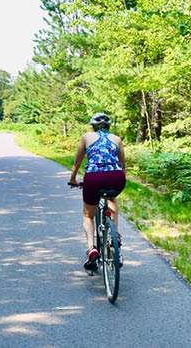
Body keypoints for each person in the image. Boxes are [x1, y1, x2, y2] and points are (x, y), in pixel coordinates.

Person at [68, 113, 126, 269]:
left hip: (94, 177)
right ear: (109, 127)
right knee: (112, 198)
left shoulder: (87, 137)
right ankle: (116, 236)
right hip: (116, 177)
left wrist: (73, 178)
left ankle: (92, 248)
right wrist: (121, 180)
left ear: (92, 126)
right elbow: (122, 164)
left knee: (88, 215)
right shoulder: (117, 139)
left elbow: (78, 161)